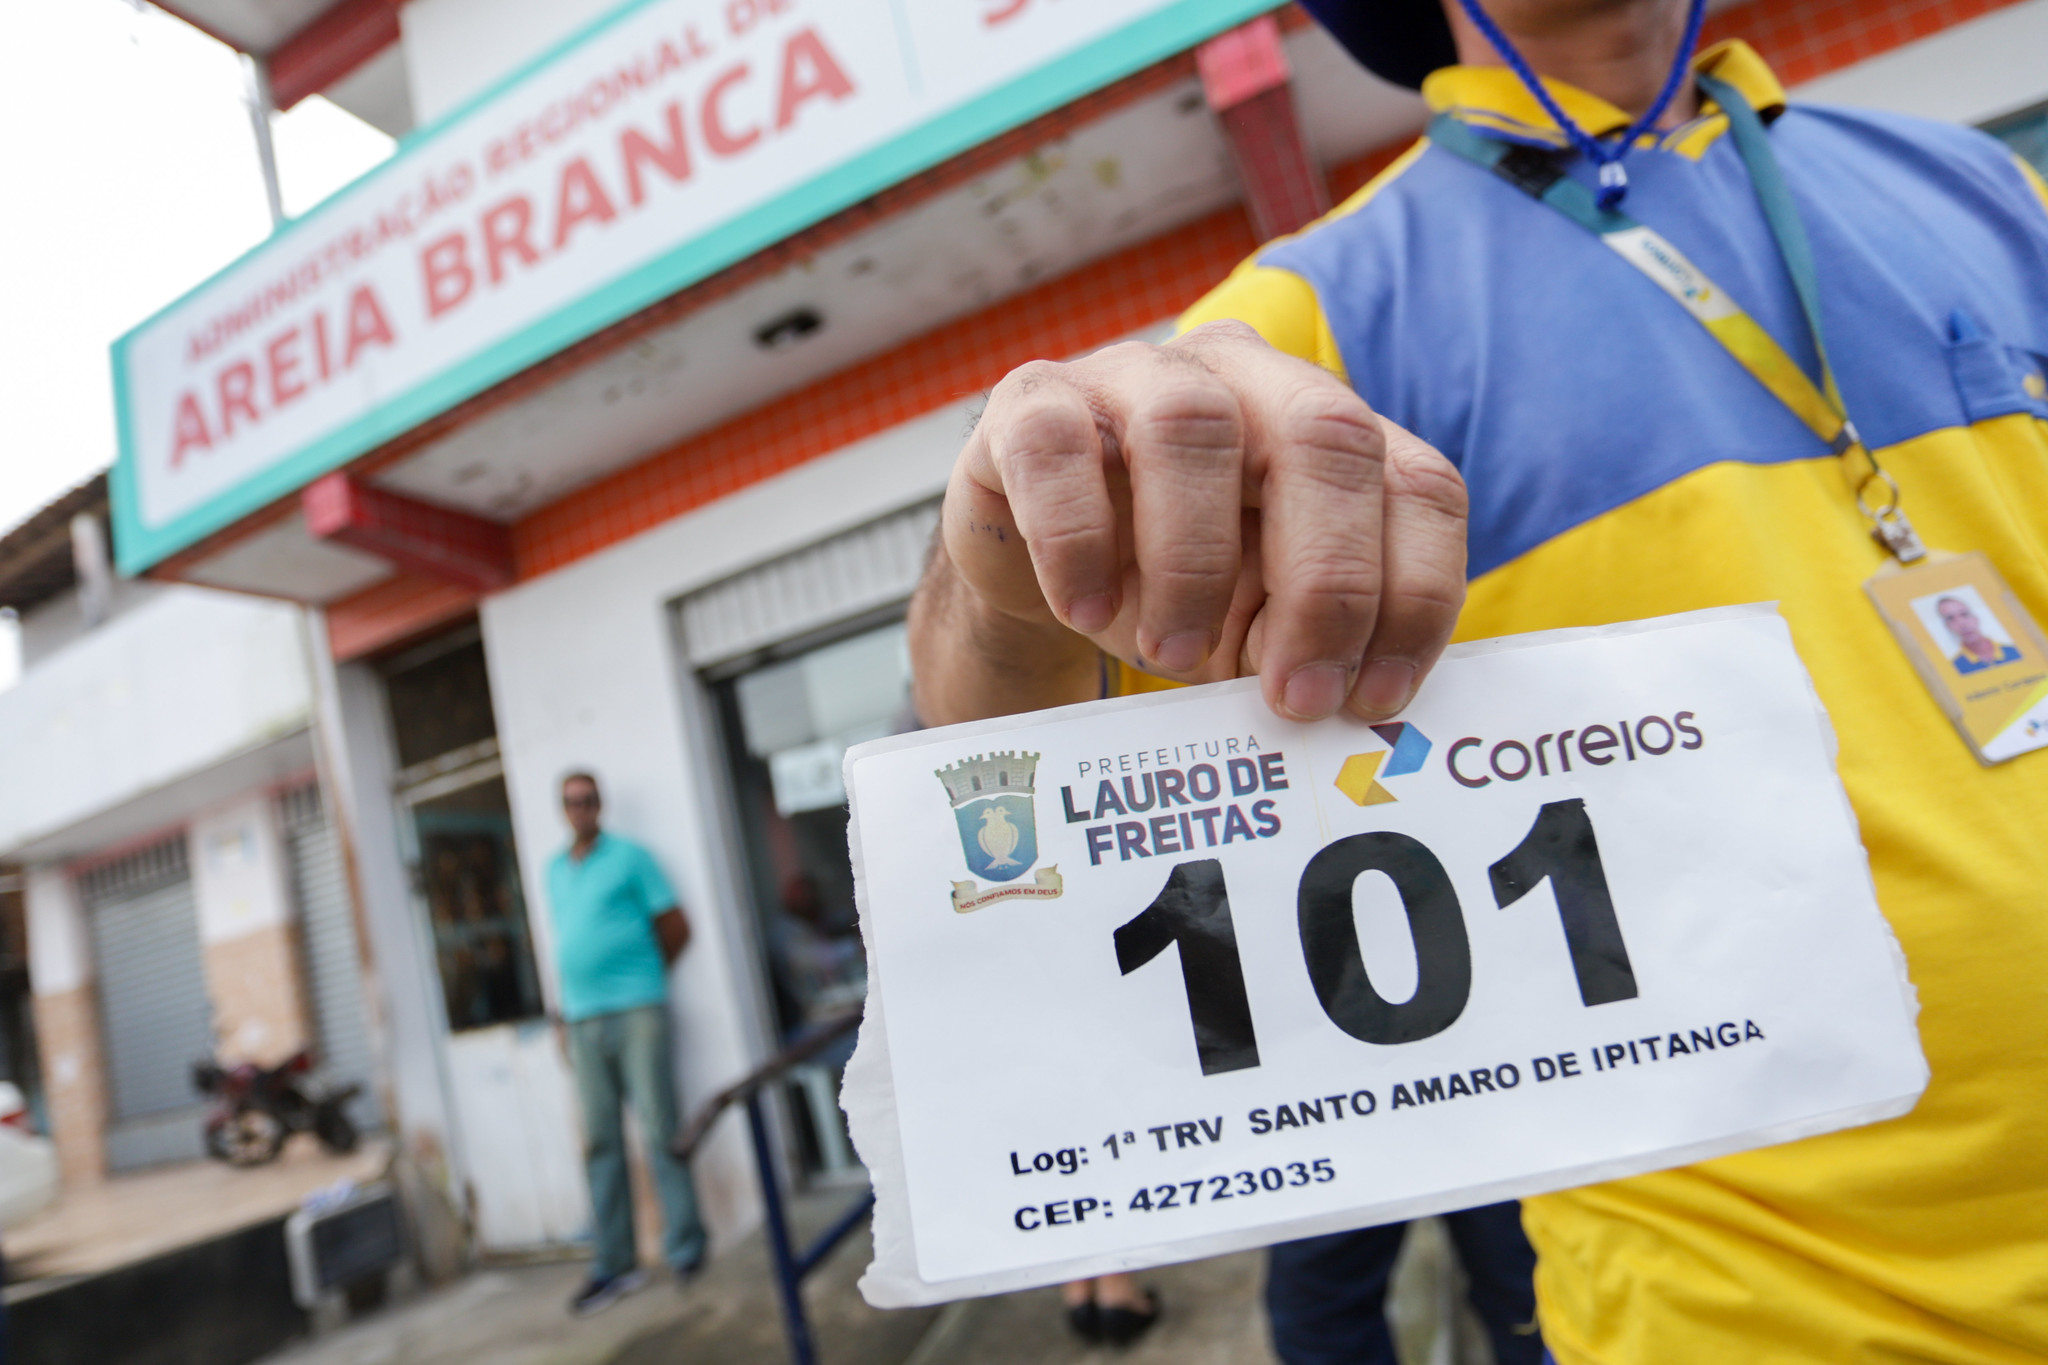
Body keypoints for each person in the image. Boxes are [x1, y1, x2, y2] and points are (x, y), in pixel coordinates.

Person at [906, 0, 2048, 1359]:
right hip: (1762, 1310)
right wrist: (1010, 521)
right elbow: (986, 745)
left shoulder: (1987, 185)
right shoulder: (1307, 315)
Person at [548, 772, 707, 1317]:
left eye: (589, 799)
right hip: (582, 1020)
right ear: (562, 809)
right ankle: (615, 1265)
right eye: (571, 801)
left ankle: (685, 1248)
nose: (581, 808)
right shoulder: (553, 870)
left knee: (661, 1128)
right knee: (599, 1141)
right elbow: (567, 944)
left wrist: (640, 977)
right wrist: (561, 1017)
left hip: (639, 1010)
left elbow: (677, 925)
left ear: (601, 805)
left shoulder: (632, 857)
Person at [1937, 595, 2020, 671]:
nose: (1961, 623)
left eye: (1964, 614)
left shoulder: (2015, 651)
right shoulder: (1955, 667)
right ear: (1947, 626)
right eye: (1950, 618)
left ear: (1975, 618)